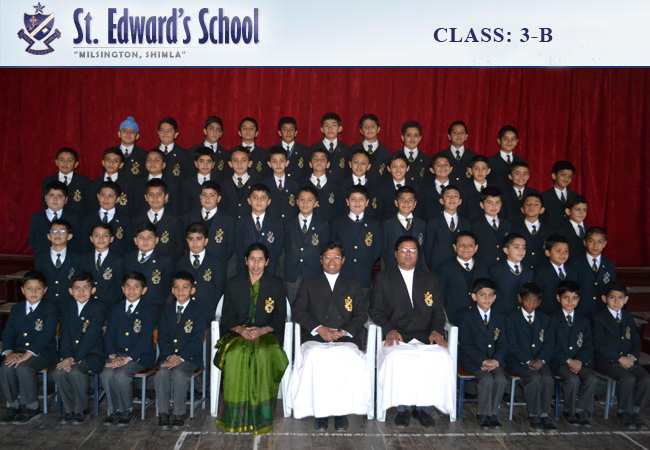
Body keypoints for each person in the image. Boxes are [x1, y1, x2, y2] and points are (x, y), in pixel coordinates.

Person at [369, 236, 455, 428]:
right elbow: (375, 310)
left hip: (425, 335)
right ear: (396, 254)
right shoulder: (383, 278)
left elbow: (438, 311)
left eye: (413, 250)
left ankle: (424, 410)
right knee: (398, 359)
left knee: (441, 358)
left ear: (418, 254)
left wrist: (436, 331)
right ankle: (403, 409)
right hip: (397, 335)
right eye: (403, 250)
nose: (408, 254)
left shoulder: (429, 279)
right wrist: (389, 329)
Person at [289, 241, 370, 432]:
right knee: (315, 356)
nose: (331, 262)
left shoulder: (353, 284)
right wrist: (320, 329)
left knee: (348, 355)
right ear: (321, 260)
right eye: (327, 257)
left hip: (345, 337)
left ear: (343, 260)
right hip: (315, 337)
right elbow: (298, 311)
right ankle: (321, 413)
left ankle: (341, 412)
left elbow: (361, 314)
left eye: (336, 257)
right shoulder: (309, 283)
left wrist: (342, 331)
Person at [216, 243, 289, 435]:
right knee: (236, 355)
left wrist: (263, 330)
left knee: (263, 354)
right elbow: (227, 317)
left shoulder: (276, 284)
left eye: (260, 259)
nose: (256, 264)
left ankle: (261, 414)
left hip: (266, 335)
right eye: (252, 259)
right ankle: (237, 415)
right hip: (238, 335)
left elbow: (280, 317)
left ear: (267, 262)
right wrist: (241, 330)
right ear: (246, 261)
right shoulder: (233, 283)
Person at [0, 272, 58, 424]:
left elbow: (46, 335)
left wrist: (28, 354)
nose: (33, 292)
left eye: (38, 289)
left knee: (23, 368)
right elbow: (8, 333)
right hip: (18, 351)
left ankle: (31, 407)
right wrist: (9, 352)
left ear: (45, 290)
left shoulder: (50, 309)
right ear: (22, 290)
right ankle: (12, 406)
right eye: (29, 288)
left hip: (43, 353)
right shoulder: (17, 309)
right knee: (6, 367)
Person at [101, 272, 156, 427]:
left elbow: (145, 338)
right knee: (106, 373)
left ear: (144, 290)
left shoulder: (149, 310)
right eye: (128, 286)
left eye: (136, 287)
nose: (131, 290)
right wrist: (113, 356)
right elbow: (109, 335)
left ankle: (127, 410)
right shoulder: (116, 309)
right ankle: (114, 410)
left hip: (140, 356)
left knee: (121, 374)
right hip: (118, 354)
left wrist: (129, 357)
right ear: (123, 289)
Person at [593, 281, 650, 430]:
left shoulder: (628, 317)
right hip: (607, 361)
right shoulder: (599, 318)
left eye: (620, 298)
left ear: (626, 300)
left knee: (645, 378)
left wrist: (632, 357)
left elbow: (636, 342)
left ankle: (634, 411)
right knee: (627, 378)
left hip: (628, 360)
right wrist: (619, 358)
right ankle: (623, 412)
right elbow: (599, 344)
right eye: (612, 298)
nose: (616, 301)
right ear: (604, 299)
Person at [51, 272, 106, 425]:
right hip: (70, 354)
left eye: (85, 288)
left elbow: (91, 336)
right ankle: (69, 410)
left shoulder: (98, 307)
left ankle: (81, 410)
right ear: (71, 291)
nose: (81, 292)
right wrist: (67, 356)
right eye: (77, 288)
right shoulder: (67, 307)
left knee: (75, 372)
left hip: (91, 355)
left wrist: (74, 358)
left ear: (93, 290)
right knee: (58, 373)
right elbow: (65, 334)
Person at [154, 272, 206, 429]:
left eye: (185, 287)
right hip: (168, 357)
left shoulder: (199, 311)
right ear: (172, 290)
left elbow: (197, 340)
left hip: (189, 359)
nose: (180, 291)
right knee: (161, 374)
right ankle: (163, 413)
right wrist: (170, 355)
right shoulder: (166, 310)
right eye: (177, 287)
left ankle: (179, 413)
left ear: (192, 290)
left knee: (179, 374)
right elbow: (162, 337)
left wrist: (180, 357)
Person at [505, 282, 556, 431]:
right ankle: (534, 415)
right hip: (518, 362)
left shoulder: (545, 319)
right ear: (520, 299)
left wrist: (541, 360)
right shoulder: (511, 318)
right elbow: (511, 345)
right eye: (527, 300)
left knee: (547, 378)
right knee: (533, 378)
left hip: (540, 361)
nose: (531, 304)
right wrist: (528, 361)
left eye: (535, 301)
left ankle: (544, 414)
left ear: (539, 302)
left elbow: (549, 344)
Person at [458, 278, 507, 429]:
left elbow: (503, 342)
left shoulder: (499, 317)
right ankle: (483, 415)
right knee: (486, 379)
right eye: (482, 295)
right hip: (474, 361)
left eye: (491, 295)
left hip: (494, 361)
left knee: (500, 379)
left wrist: (496, 360)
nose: (487, 299)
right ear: (474, 296)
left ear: (495, 297)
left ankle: (493, 414)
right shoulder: (466, 316)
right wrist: (484, 360)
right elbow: (466, 344)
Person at [550, 280, 597, 427]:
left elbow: (588, 346)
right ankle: (569, 411)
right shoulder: (552, 319)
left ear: (579, 299)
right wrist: (569, 360)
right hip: (559, 363)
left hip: (579, 362)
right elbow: (550, 347)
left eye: (574, 298)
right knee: (572, 379)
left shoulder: (583, 321)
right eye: (566, 298)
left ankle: (581, 410)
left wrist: (579, 361)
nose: (570, 302)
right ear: (558, 298)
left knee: (591, 378)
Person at [330, 185, 383, 294]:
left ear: (367, 202)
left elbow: (378, 248)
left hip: (363, 273)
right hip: (343, 272)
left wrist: (367, 262)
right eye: (353, 199)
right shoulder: (337, 222)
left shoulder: (374, 224)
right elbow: (332, 246)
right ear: (347, 202)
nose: (357, 203)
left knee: (362, 301)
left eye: (361, 199)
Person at [283, 186, 330, 306]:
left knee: (311, 307)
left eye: (309, 200)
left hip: (313, 273)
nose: (305, 203)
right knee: (293, 307)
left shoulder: (323, 226)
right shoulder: (288, 224)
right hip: (292, 274)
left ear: (316, 203)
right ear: (297, 202)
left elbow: (324, 251)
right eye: (302, 200)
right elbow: (285, 248)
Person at [438, 231, 489, 326]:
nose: (466, 248)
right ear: (455, 247)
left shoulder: (483, 267)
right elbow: (441, 294)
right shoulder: (445, 268)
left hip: (477, 316)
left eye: (470, 245)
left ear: (476, 248)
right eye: (461, 245)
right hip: (454, 316)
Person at [234, 184, 284, 275]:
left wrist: (268, 264)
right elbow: (238, 247)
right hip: (245, 270)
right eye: (255, 197)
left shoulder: (276, 223)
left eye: (263, 198)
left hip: (269, 270)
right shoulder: (241, 222)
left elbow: (278, 248)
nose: (259, 201)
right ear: (249, 201)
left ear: (269, 201)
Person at [34, 219, 82, 311]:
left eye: (62, 232)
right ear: (48, 236)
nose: (57, 235)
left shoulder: (78, 258)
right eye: (54, 232)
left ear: (69, 236)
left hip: (70, 304)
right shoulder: (40, 258)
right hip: (47, 304)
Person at [132, 179, 184, 260]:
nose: (155, 198)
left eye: (159, 194)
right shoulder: (137, 220)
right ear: (146, 197)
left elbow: (179, 249)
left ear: (166, 197)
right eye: (151, 195)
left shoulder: (175, 221)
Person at [425, 185, 469, 274]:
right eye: (448, 196)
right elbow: (428, 248)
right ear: (441, 201)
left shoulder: (466, 224)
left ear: (460, 201)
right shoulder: (433, 222)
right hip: (438, 268)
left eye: (455, 196)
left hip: (459, 269)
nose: (452, 199)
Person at [29, 181, 82, 254]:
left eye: (59, 196)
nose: (55, 199)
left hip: (68, 257)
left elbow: (77, 241)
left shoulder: (73, 218)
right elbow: (32, 240)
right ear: (45, 198)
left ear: (66, 200)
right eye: (51, 195)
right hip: (42, 256)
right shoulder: (37, 217)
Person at [83, 223, 124, 318]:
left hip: (110, 306)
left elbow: (120, 285)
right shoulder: (84, 258)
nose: (101, 239)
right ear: (91, 238)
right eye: (96, 236)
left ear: (111, 239)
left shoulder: (118, 260)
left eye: (105, 236)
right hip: (89, 305)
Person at [82, 181, 134, 255]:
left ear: (117, 199)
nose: (106, 199)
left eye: (110, 196)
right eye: (103, 195)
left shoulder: (126, 220)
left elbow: (129, 246)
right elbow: (83, 245)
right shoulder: (87, 219)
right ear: (98, 196)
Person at [574, 226, 616, 318]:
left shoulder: (609, 265)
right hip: (581, 312)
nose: (595, 245)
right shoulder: (575, 263)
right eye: (591, 241)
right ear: (585, 242)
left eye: (600, 242)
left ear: (605, 244)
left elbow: (611, 289)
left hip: (602, 313)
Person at [381, 186, 426, 270]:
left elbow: (423, 250)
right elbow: (384, 251)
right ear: (396, 203)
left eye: (410, 200)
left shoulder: (422, 225)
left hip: (416, 269)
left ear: (415, 204)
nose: (406, 203)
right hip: (393, 269)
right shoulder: (387, 225)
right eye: (402, 200)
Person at [489, 233, 534, 315]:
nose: (521, 251)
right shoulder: (495, 271)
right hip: (501, 314)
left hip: (521, 315)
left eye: (523, 248)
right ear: (506, 250)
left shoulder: (529, 272)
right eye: (516, 247)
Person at [533, 235, 577, 316]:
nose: (563, 254)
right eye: (558, 251)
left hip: (567, 315)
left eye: (566, 251)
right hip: (547, 314)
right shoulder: (540, 272)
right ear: (548, 253)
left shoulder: (573, 271)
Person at [41, 147, 91, 217]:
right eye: (61, 160)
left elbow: (88, 206)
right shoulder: (48, 181)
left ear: (76, 164)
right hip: (55, 220)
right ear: (56, 162)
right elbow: (45, 203)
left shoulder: (85, 182)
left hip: (78, 220)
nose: (65, 163)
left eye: (69, 161)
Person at [510, 193, 553, 271]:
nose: (531, 206)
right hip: (521, 271)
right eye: (528, 204)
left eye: (536, 204)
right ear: (522, 209)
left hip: (542, 271)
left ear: (542, 210)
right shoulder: (513, 229)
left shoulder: (550, 231)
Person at [87, 148, 135, 217]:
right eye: (108, 160)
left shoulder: (128, 185)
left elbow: (132, 208)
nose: (111, 163)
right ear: (103, 162)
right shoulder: (94, 184)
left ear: (121, 165)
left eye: (116, 161)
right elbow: (90, 207)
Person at [472, 187, 512, 267]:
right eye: (489, 203)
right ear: (482, 205)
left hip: (502, 267)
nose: (494, 206)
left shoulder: (507, 225)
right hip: (483, 267)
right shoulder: (475, 225)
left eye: (497, 203)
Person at [340, 149, 382, 220]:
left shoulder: (375, 188)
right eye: (356, 162)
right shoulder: (341, 186)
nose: (359, 166)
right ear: (350, 164)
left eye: (363, 163)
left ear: (368, 166)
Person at [349, 114, 391, 184]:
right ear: (361, 131)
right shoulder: (353, 149)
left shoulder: (386, 154)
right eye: (366, 127)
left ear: (378, 129)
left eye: (373, 126)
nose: (369, 129)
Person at [309, 113, 351, 183]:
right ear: (322, 129)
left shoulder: (346, 149)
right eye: (326, 125)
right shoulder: (314, 148)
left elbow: (348, 173)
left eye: (334, 125)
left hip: (340, 187)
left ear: (340, 128)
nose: (330, 128)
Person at [261, 146, 300, 221]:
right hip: (271, 224)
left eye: (282, 161)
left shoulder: (295, 184)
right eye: (274, 161)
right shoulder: (264, 184)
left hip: (290, 223)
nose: (278, 164)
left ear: (287, 163)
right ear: (269, 164)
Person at [433, 120, 476, 185]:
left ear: (466, 136)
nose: (459, 135)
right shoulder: (439, 156)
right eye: (455, 132)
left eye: (462, 132)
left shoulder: (474, 157)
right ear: (449, 136)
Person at [541, 161, 579, 229]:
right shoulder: (544, 197)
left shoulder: (575, 196)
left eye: (570, 176)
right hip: (551, 233)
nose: (567, 179)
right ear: (554, 176)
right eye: (563, 175)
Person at [305, 148, 340, 223]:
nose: (319, 161)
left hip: (329, 227)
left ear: (328, 164)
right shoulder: (303, 185)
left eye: (323, 159)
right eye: (315, 159)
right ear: (310, 164)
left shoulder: (335, 187)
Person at [487, 125, 526, 192]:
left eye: (513, 139)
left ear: (517, 142)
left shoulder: (521, 161)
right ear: (499, 141)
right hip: (496, 196)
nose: (509, 142)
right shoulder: (490, 161)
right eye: (506, 139)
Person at [220, 146, 256, 220]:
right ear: (230, 164)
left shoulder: (256, 184)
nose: (239, 164)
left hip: (249, 224)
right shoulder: (224, 184)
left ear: (250, 163)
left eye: (243, 160)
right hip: (229, 223)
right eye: (235, 160)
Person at [271, 116, 310, 181]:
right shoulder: (271, 150)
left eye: (291, 129)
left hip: (299, 185)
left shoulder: (304, 150)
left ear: (296, 132)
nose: (288, 132)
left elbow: (307, 173)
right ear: (279, 133)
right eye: (285, 129)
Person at [394, 120, 431, 185]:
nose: (412, 139)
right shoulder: (394, 157)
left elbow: (428, 183)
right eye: (409, 135)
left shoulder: (426, 159)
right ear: (403, 138)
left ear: (420, 138)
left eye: (416, 135)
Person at [182, 146, 217, 215]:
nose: (205, 165)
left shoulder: (220, 182)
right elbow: (184, 207)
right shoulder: (187, 183)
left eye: (209, 161)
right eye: (201, 161)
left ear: (213, 164)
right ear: (196, 163)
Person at [154, 117, 191, 181]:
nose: (165, 133)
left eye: (169, 131)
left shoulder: (184, 154)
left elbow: (188, 178)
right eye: (162, 130)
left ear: (176, 134)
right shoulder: (152, 153)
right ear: (158, 133)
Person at [556, 195, 589, 261]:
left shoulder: (590, 231)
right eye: (578, 210)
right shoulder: (560, 231)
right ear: (568, 211)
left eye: (584, 210)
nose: (581, 213)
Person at [461, 155, 491, 222]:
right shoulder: (464, 190)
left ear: (488, 171)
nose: (480, 172)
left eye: (483, 169)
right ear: (470, 171)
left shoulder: (495, 189)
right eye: (476, 168)